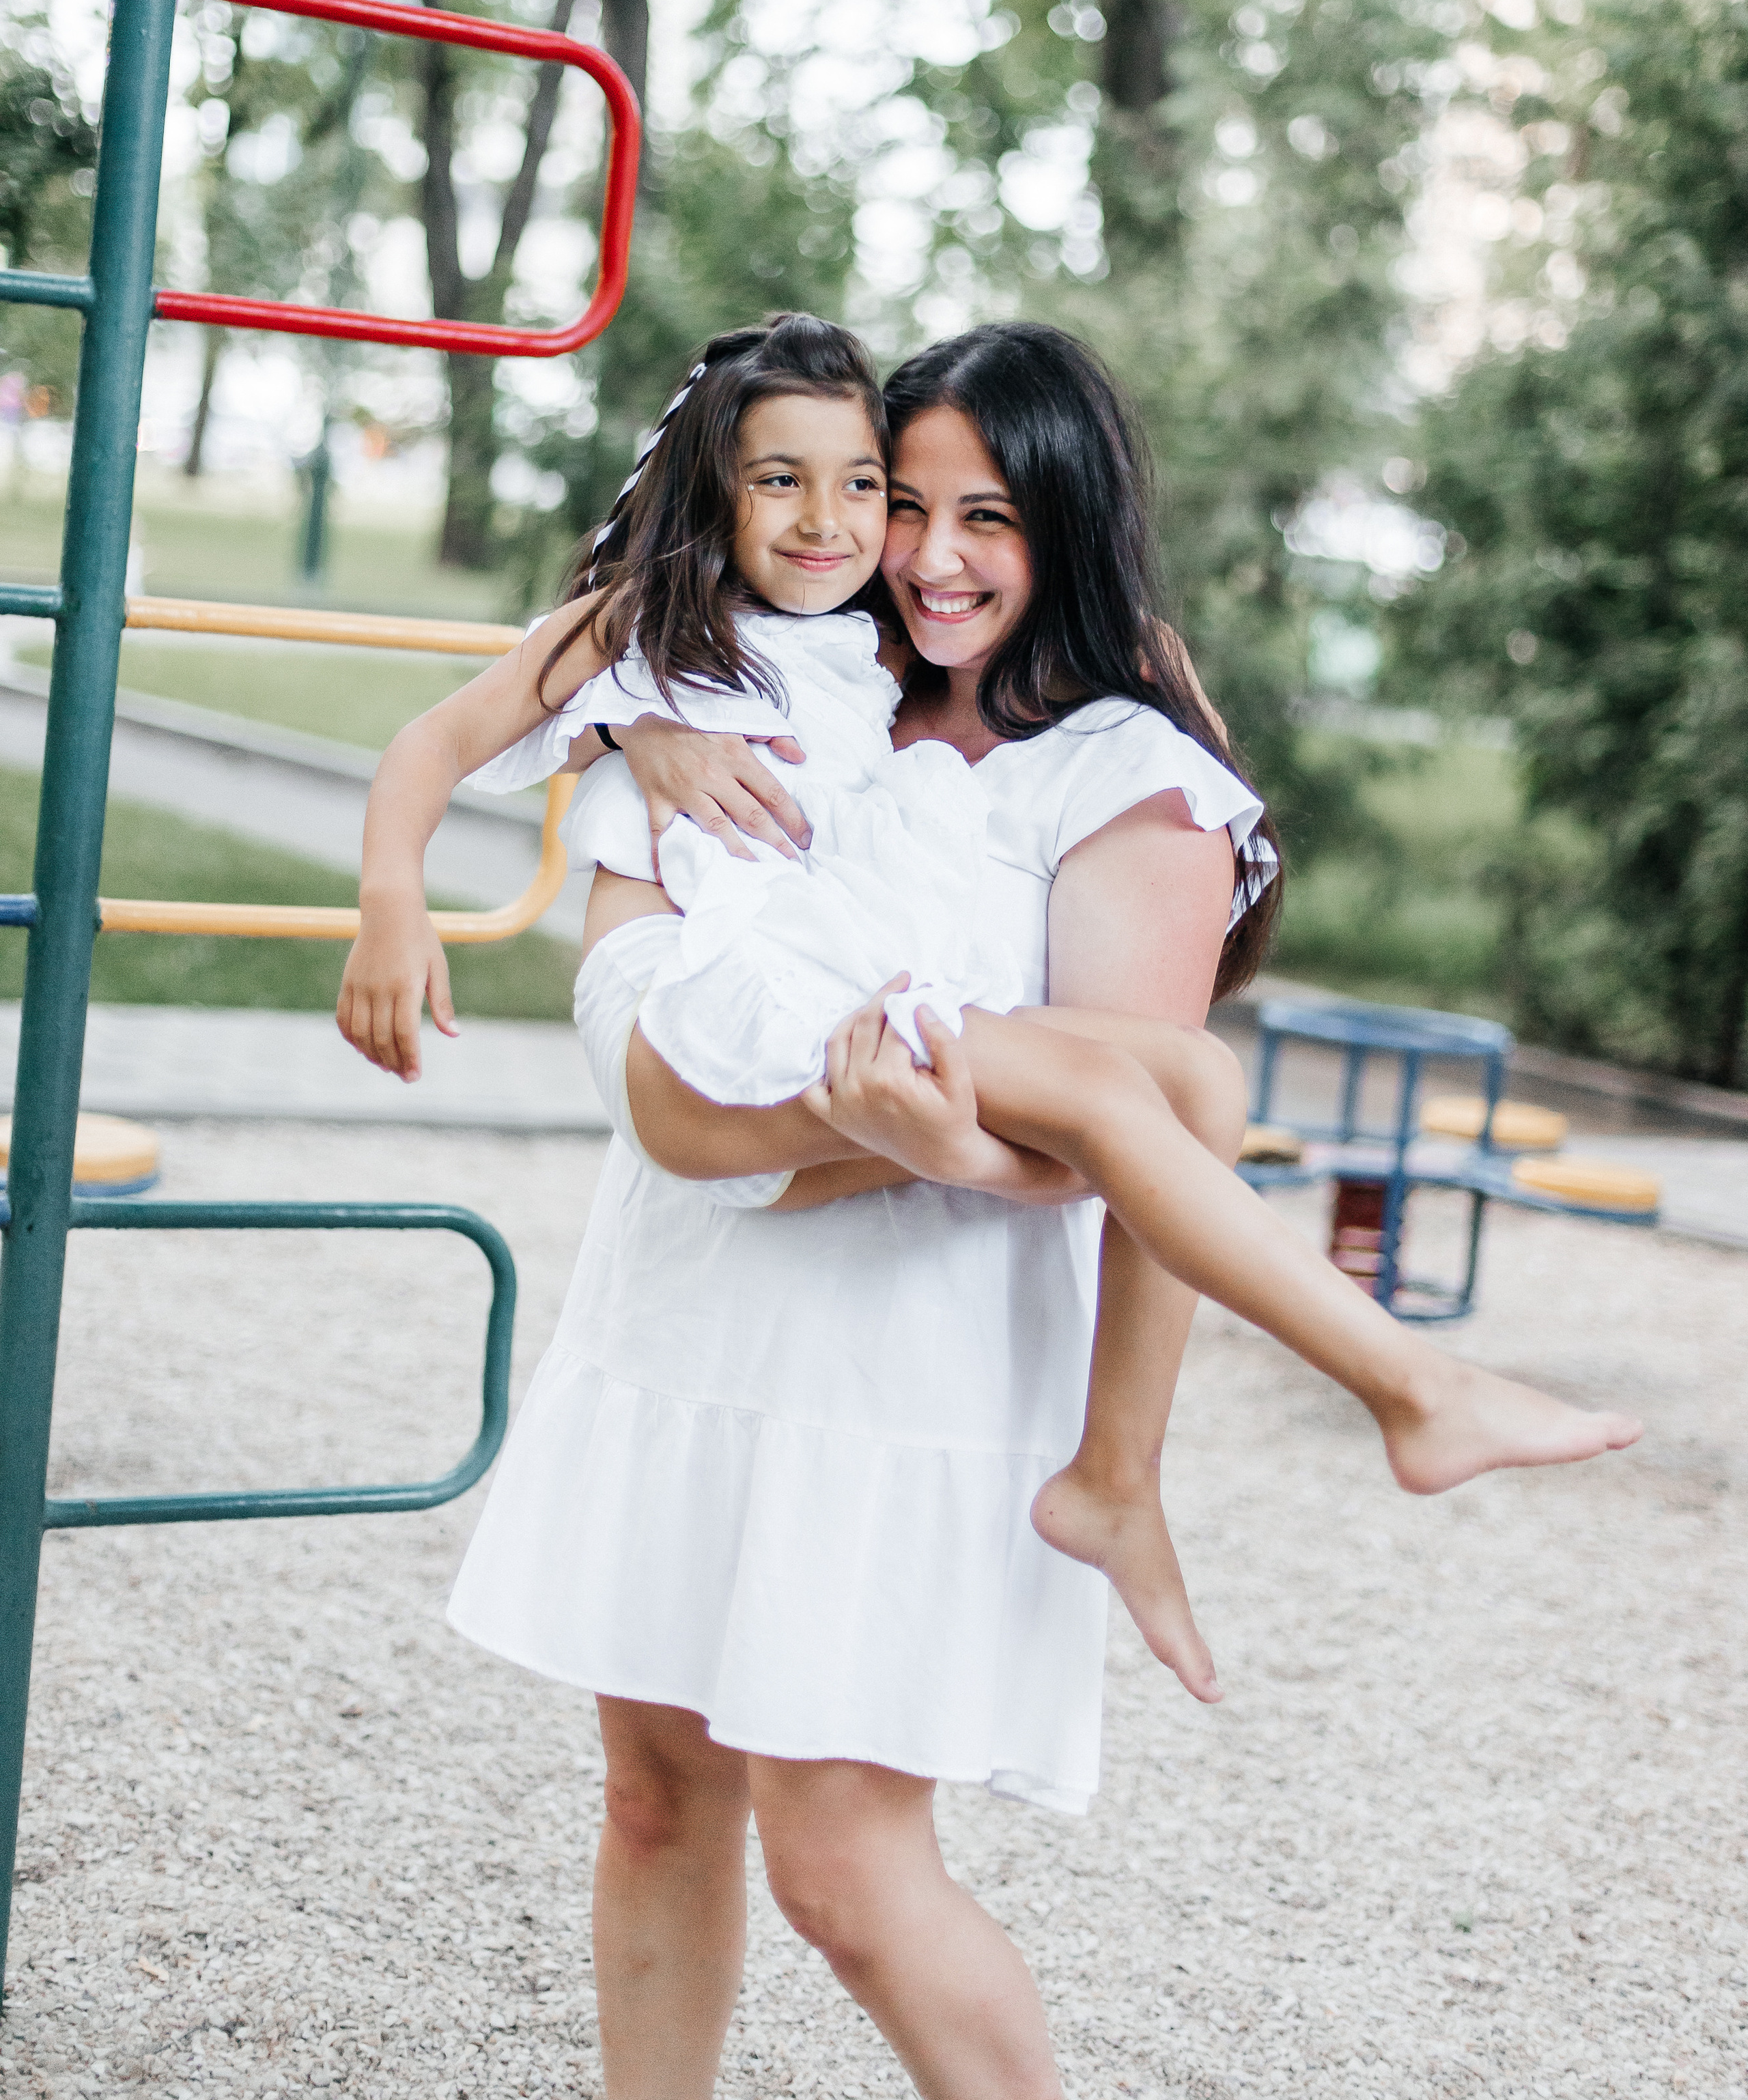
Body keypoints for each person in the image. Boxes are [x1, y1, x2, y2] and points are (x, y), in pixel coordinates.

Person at [337, 317, 1640, 2098]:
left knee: (850, 1875)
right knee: (653, 1800)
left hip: (903, 1368)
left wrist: (925, 1150)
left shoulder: (1126, 762)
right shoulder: (802, 656)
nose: (931, 556)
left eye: (993, 519)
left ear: (1074, 530)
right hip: (692, 1296)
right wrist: (635, 743)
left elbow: (1122, 1137)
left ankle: (1381, 1394)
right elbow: (631, 694)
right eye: (910, 505)